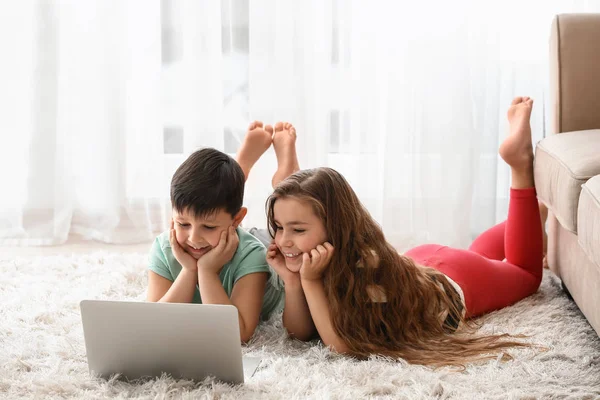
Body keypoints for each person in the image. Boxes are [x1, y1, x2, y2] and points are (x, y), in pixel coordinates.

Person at [266, 97, 545, 366]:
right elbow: (299, 333)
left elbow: (342, 347)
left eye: (298, 229)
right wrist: (293, 282)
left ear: (336, 226)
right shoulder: (324, 258)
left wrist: (311, 282)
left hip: (453, 281)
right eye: (279, 227)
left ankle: (520, 165)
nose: (282, 240)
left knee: (526, 274)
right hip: (424, 263)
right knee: (481, 256)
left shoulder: (363, 269)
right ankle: (536, 214)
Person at [146, 121, 299, 343]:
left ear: (237, 220)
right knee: (218, 201)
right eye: (182, 223)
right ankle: (240, 168)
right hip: (225, 232)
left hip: (263, 240)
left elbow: (238, 334)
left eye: (207, 227)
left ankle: (286, 178)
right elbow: (153, 323)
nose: (193, 238)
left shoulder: (253, 254)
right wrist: (189, 270)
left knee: (292, 216)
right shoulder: (164, 247)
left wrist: (206, 272)